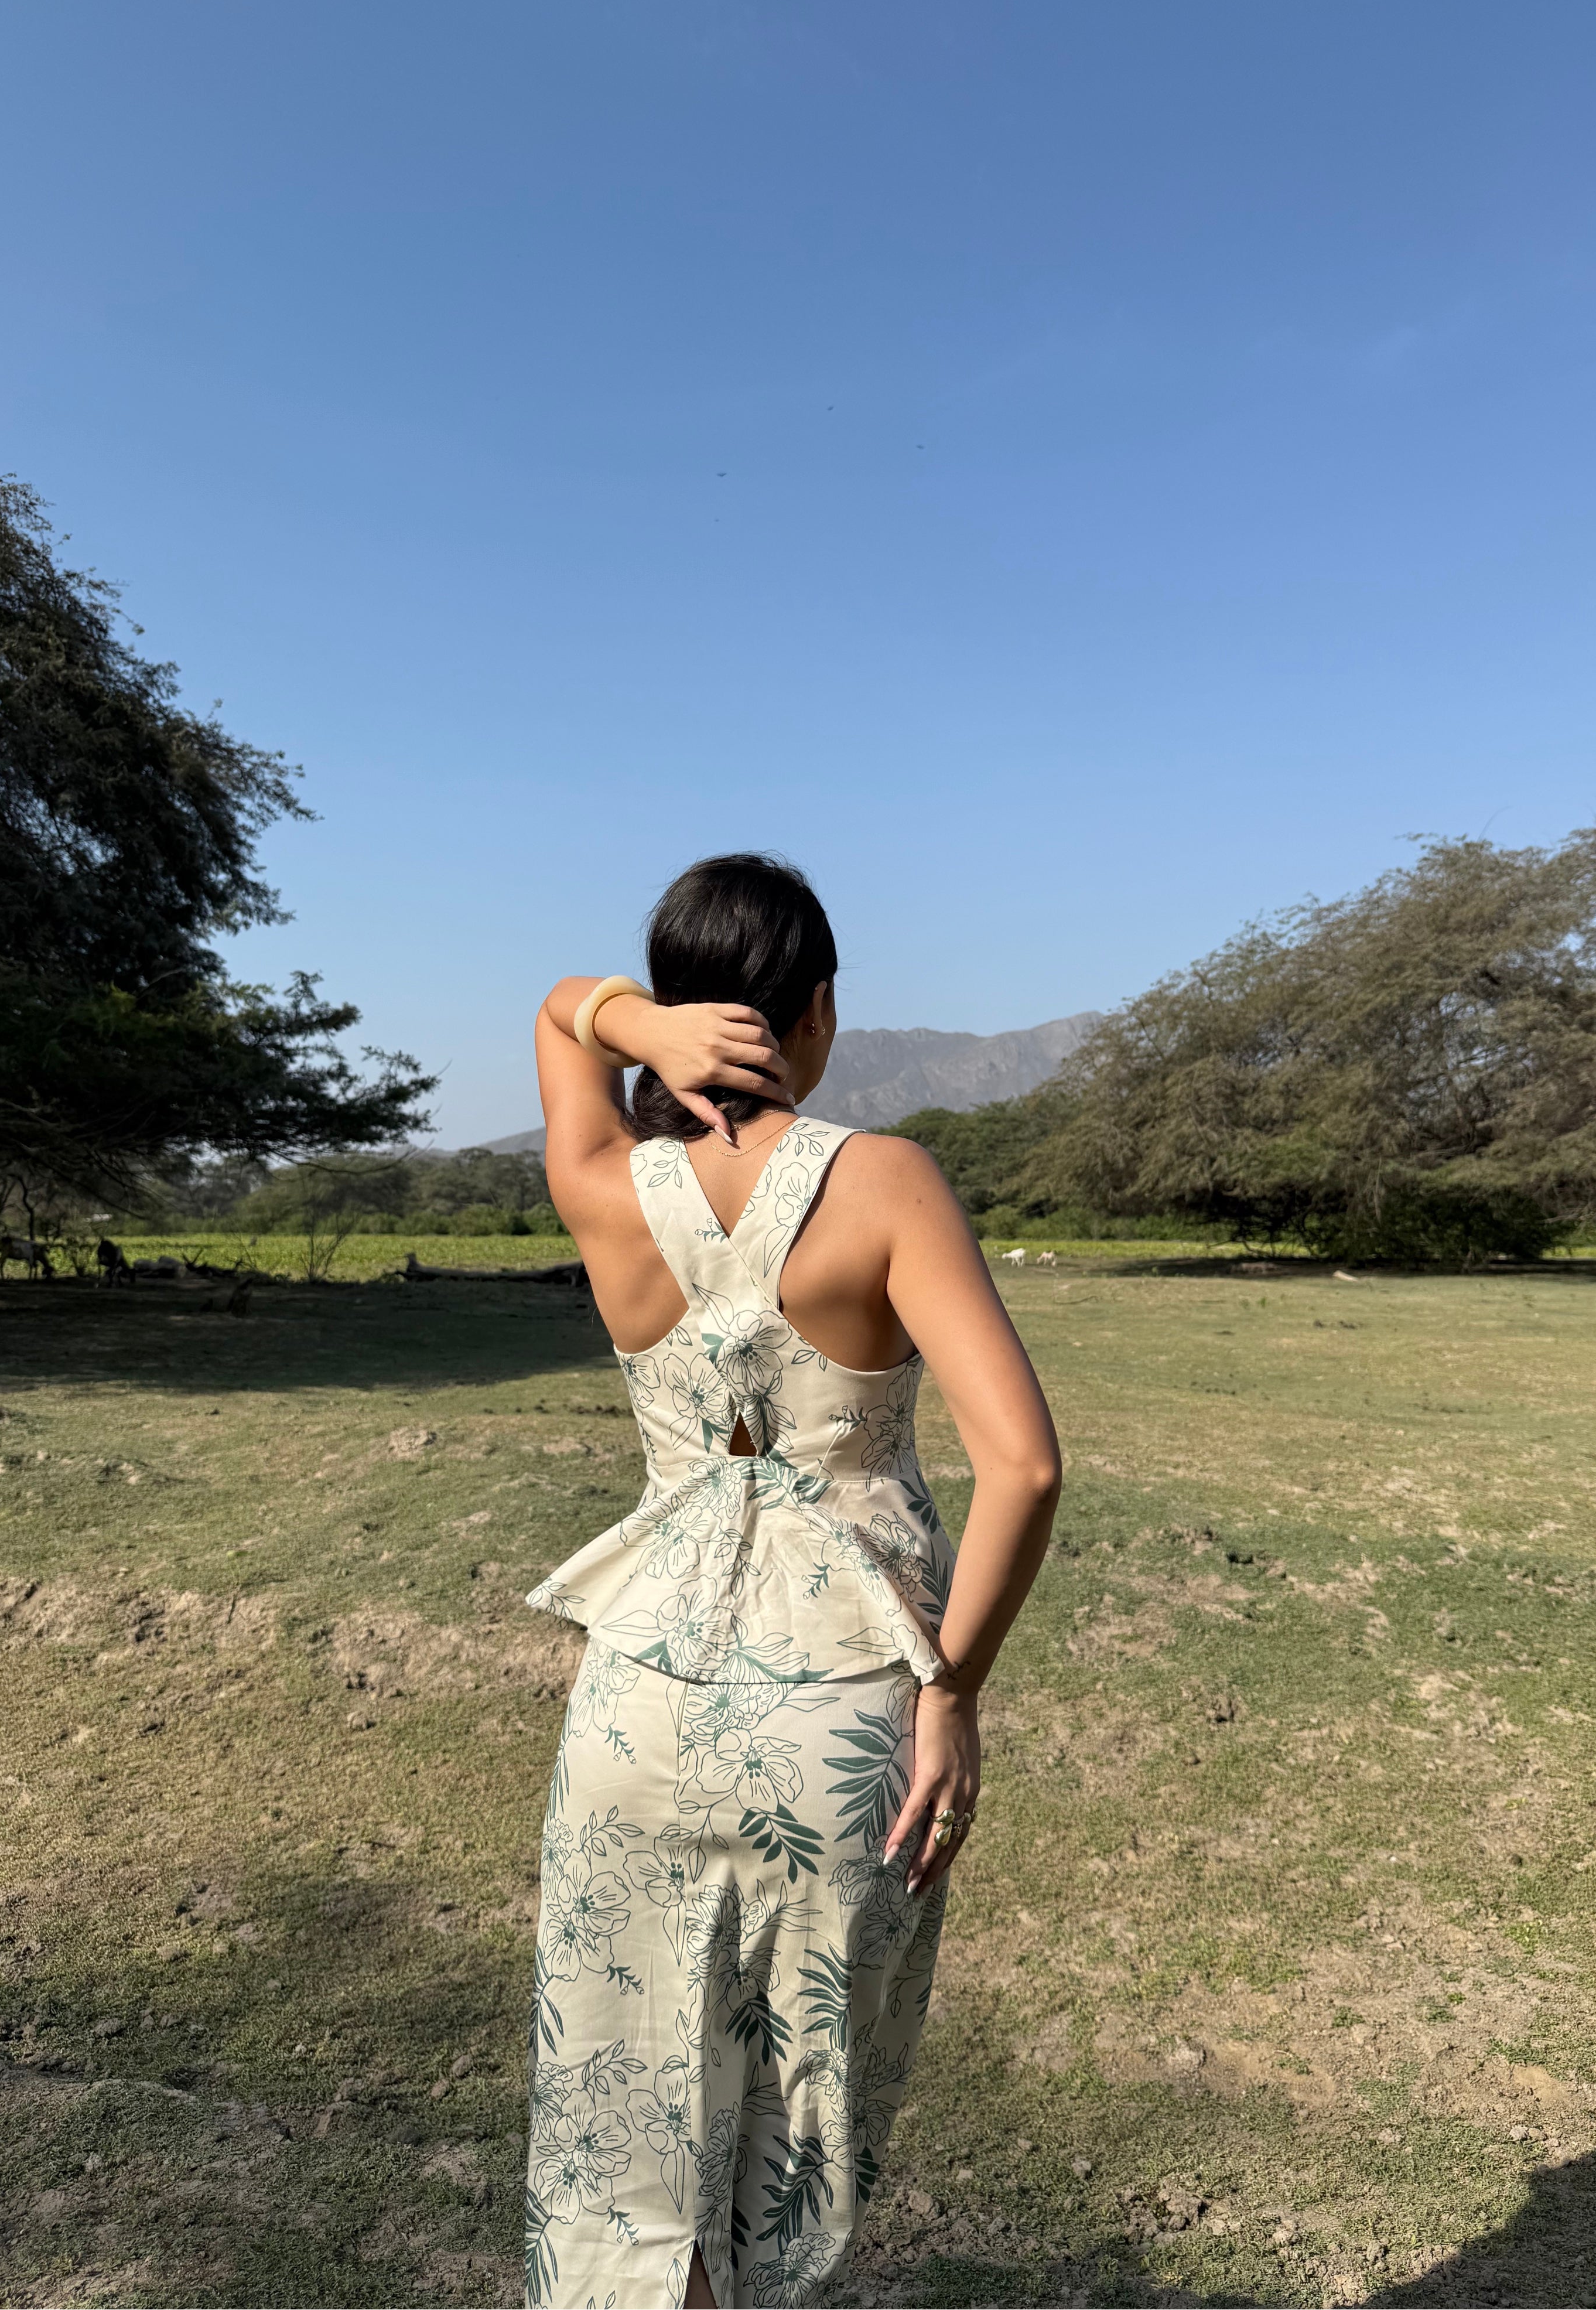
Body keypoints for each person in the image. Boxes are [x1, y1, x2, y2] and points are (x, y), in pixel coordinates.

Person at [524, 854, 1061, 2308]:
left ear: (678, 1010)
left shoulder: (603, 1185)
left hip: (636, 1703)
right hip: (844, 1712)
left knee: (623, 2130)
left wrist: (632, 1027)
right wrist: (953, 1694)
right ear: (817, 1010)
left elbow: (556, 1015)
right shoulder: (884, 1181)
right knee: (796, 2122)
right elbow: (1024, 1468)